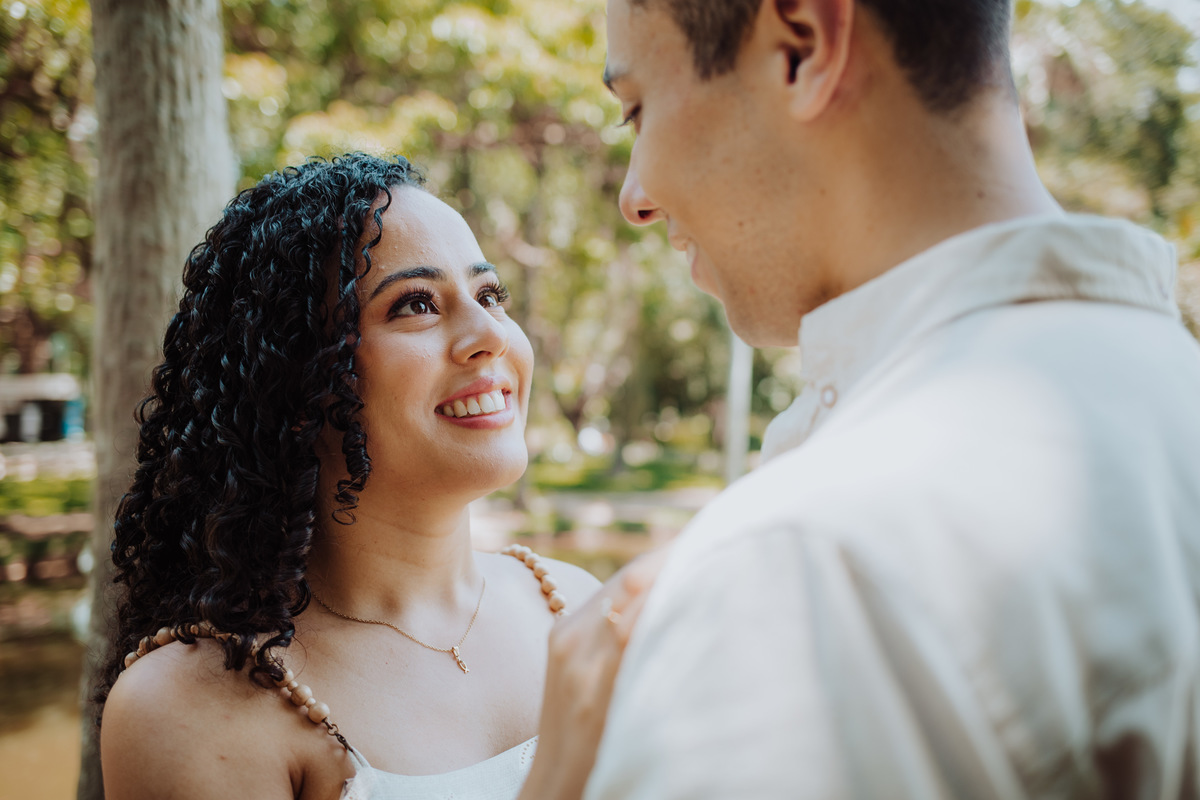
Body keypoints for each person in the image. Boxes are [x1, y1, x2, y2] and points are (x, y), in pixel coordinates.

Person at [588, 0, 1200, 797]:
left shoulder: (808, 575)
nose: (634, 197)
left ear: (802, 47)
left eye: (638, 109)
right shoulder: (1172, 390)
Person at [97, 153, 653, 800]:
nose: (490, 335)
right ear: (296, 379)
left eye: (489, 295)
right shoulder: (191, 708)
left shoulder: (575, 601)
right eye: (416, 304)